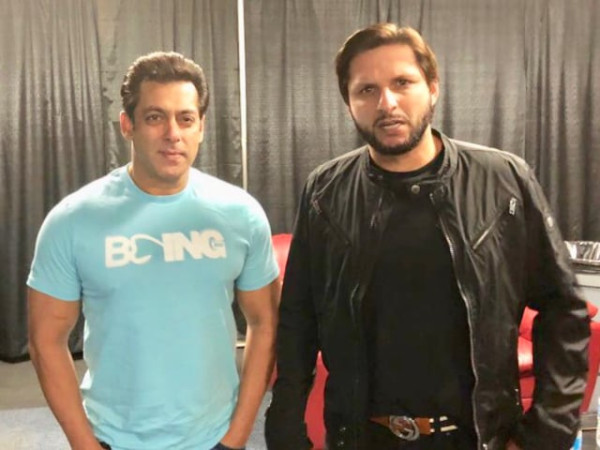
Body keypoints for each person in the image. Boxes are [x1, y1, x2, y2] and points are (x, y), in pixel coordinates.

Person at [265, 24, 590, 450]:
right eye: (367, 90)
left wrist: (546, 433)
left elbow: (563, 309)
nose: (387, 103)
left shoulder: (504, 181)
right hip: (363, 438)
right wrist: (286, 431)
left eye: (402, 82)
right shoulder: (325, 191)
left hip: (478, 437)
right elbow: (298, 320)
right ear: (348, 102)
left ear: (433, 88)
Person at [27, 51, 280, 450]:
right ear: (127, 125)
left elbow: (265, 323)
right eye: (155, 117)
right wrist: (85, 444)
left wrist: (236, 438)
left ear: (201, 127)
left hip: (215, 437)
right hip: (112, 438)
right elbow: (45, 341)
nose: (172, 133)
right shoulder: (72, 220)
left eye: (186, 118)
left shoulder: (241, 214)